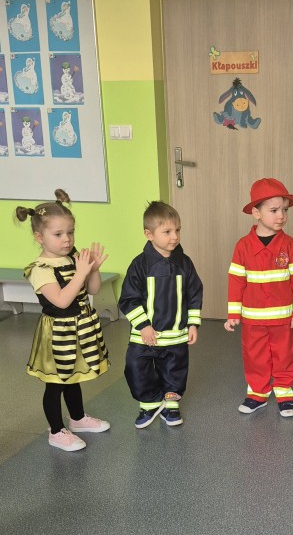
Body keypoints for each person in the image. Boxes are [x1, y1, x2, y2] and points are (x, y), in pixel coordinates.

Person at [16, 189, 110, 452]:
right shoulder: (40, 269)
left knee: (73, 375)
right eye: (58, 234)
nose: (67, 239)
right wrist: (80, 274)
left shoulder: (72, 259)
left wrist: (93, 270)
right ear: (39, 236)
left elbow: (92, 290)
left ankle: (77, 418)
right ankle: (56, 431)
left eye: (70, 232)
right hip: (57, 333)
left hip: (79, 328)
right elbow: (61, 300)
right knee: (56, 382)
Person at [224, 178, 293, 418]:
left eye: (285, 210)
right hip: (253, 319)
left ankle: (284, 392)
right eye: (274, 210)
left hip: (283, 318)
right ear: (256, 213)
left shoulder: (290, 245)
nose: (281, 216)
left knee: (284, 355)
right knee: (254, 356)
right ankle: (258, 393)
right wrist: (233, 314)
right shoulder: (242, 246)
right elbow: (236, 281)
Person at [119, 201, 203, 428]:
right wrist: (143, 326)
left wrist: (193, 324)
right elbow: (128, 298)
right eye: (167, 232)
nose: (174, 236)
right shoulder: (139, 265)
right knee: (136, 368)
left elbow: (195, 293)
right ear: (149, 234)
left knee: (174, 371)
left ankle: (171, 404)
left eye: (177, 230)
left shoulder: (185, 263)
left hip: (176, 334)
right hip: (145, 335)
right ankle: (150, 403)